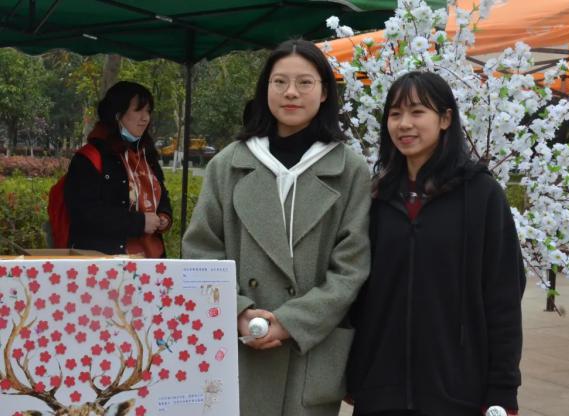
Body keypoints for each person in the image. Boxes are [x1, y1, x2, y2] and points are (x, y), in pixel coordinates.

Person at [182, 39, 371, 416]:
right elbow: (201, 253)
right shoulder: (228, 165)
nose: (291, 92)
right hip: (236, 348)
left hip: (308, 351)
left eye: (305, 82)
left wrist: (289, 322)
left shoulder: (349, 170)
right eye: (279, 81)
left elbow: (351, 268)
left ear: (324, 92)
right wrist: (239, 312)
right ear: (264, 89)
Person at [346, 72, 526, 416]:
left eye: (417, 112)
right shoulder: (378, 196)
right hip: (380, 389)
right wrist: (355, 372)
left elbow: (503, 295)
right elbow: (360, 293)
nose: (404, 124)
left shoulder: (481, 194)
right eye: (395, 114)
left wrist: (503, 388)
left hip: (457, 390)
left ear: (445, 119)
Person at [65, 81, 172, 257]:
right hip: (105, 264)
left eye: (148, 111)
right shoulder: (89, 158)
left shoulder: (146, 155)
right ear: (117, 114)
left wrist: (164, 216)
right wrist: (139, 222)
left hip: (152, 262)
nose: (145, 118)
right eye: (138, 110)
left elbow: (162, 196)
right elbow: (84, 213)